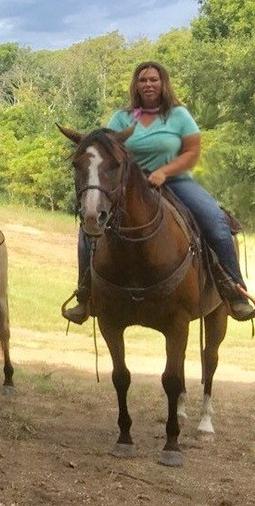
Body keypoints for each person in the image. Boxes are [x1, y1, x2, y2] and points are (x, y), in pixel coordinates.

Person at [63, 61, 255, 323]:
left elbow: (192, 152)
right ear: (135, 85)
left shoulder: (178, 116)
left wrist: (164, 172)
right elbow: (107, 152)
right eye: (143, 80)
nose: (148, 84)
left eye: (154, 79)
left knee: (215, 221)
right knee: (90, 225)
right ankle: (85, 295)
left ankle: (234, 291)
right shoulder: (121, 118)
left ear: (163, 83)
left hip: (175, 181)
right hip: (131, 187)